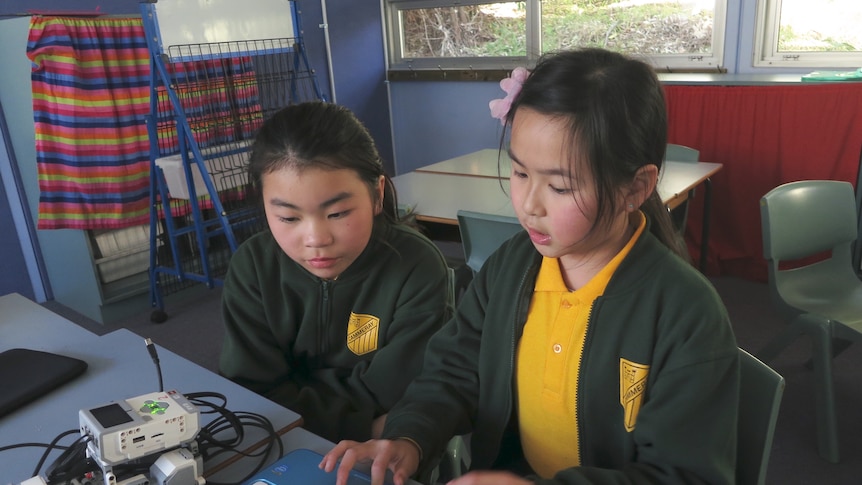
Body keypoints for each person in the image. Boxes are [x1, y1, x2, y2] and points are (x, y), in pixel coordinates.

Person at [321, 48, 739, 484]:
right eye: (520, 173)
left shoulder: (685, 312)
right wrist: (410, 437)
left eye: (559, 187)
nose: (528, 205)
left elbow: (687, 476)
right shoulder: (511, 267)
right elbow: (453, 371)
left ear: (635, 187)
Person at [218, 101, 452, 443]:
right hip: (288, 443)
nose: (316, 239)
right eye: (288, 218)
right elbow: (250, 391)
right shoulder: (253, 267)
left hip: (380, 452)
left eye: (338, 213)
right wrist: (362, 426)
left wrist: (293, 400)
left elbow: (399, 390)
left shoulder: (415, 265)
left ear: (377, 194)